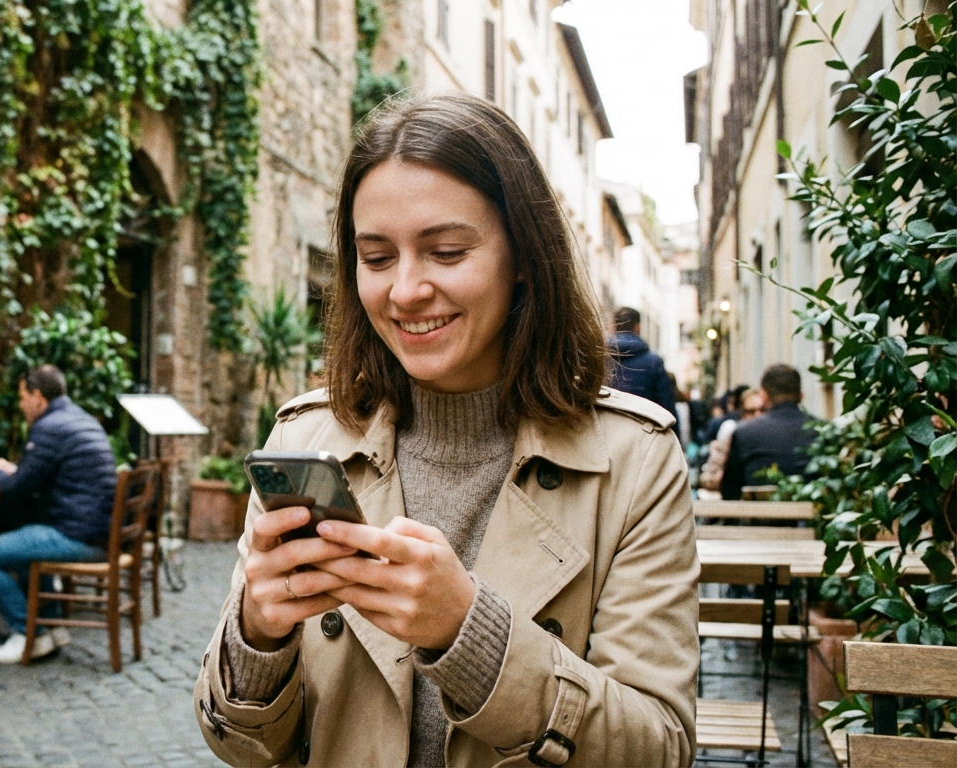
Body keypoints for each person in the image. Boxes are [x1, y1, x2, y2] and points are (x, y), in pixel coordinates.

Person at [194, 93, 697, 766]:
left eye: (447, 251)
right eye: (376, 259)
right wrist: (257, 633)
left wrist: (471, 633)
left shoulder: (635, 460)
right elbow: (240, 747)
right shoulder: (304, 440)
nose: (405, 290)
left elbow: (658, 749)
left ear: (523, 256)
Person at [0, 365, 117, 663]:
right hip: (97, 532)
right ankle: (51, 626)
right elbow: (35, 475)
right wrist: (12, 472)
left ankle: (28, 634)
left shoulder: (49, 427)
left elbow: (16, 489)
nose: (21, 403)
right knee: (24, 542)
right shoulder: (81, 419)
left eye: (23, 396)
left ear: (37, 396)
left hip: (77, 537)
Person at [720, 364, 818, 500]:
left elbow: (730, 490)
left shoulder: (744, 433)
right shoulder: (821, 430)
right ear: (801, 396)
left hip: (761, 519)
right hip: (812, 520)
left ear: (763, 396)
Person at [606, 306, 676, 417]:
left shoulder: (599, 360)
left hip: (606, 429)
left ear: (613, 327)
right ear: (638, 327)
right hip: (644, 430)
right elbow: (666, 408)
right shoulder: (654, 362)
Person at [698, 387, 764, 493]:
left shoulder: (771, 437)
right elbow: (711, 476)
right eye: (751, 411)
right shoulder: (732, 431)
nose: (757, 415)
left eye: (762, 410)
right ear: (742, 412)